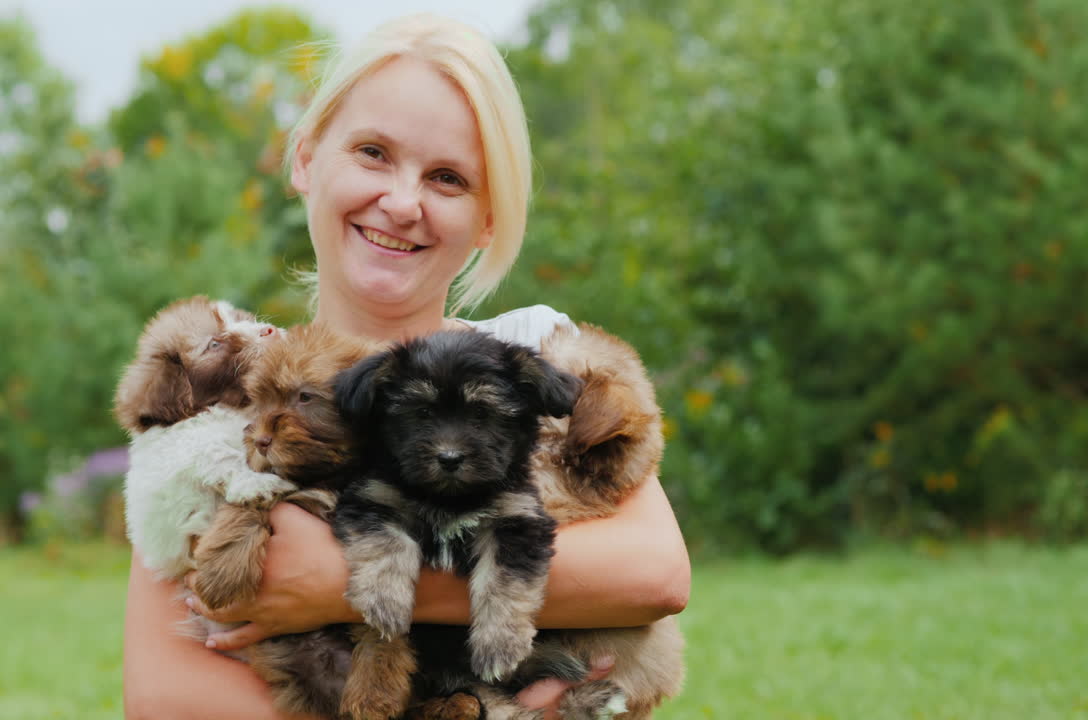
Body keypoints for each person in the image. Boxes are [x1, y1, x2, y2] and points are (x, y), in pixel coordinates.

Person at [121, 13, 690, 720]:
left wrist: (340, 579)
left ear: (487, 220)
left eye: (448, 178)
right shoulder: (226, 387)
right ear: (305, 158)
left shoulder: (538, 356)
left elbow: (658, 572)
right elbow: (164, 697)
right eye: (373, 152)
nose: (401, 201)